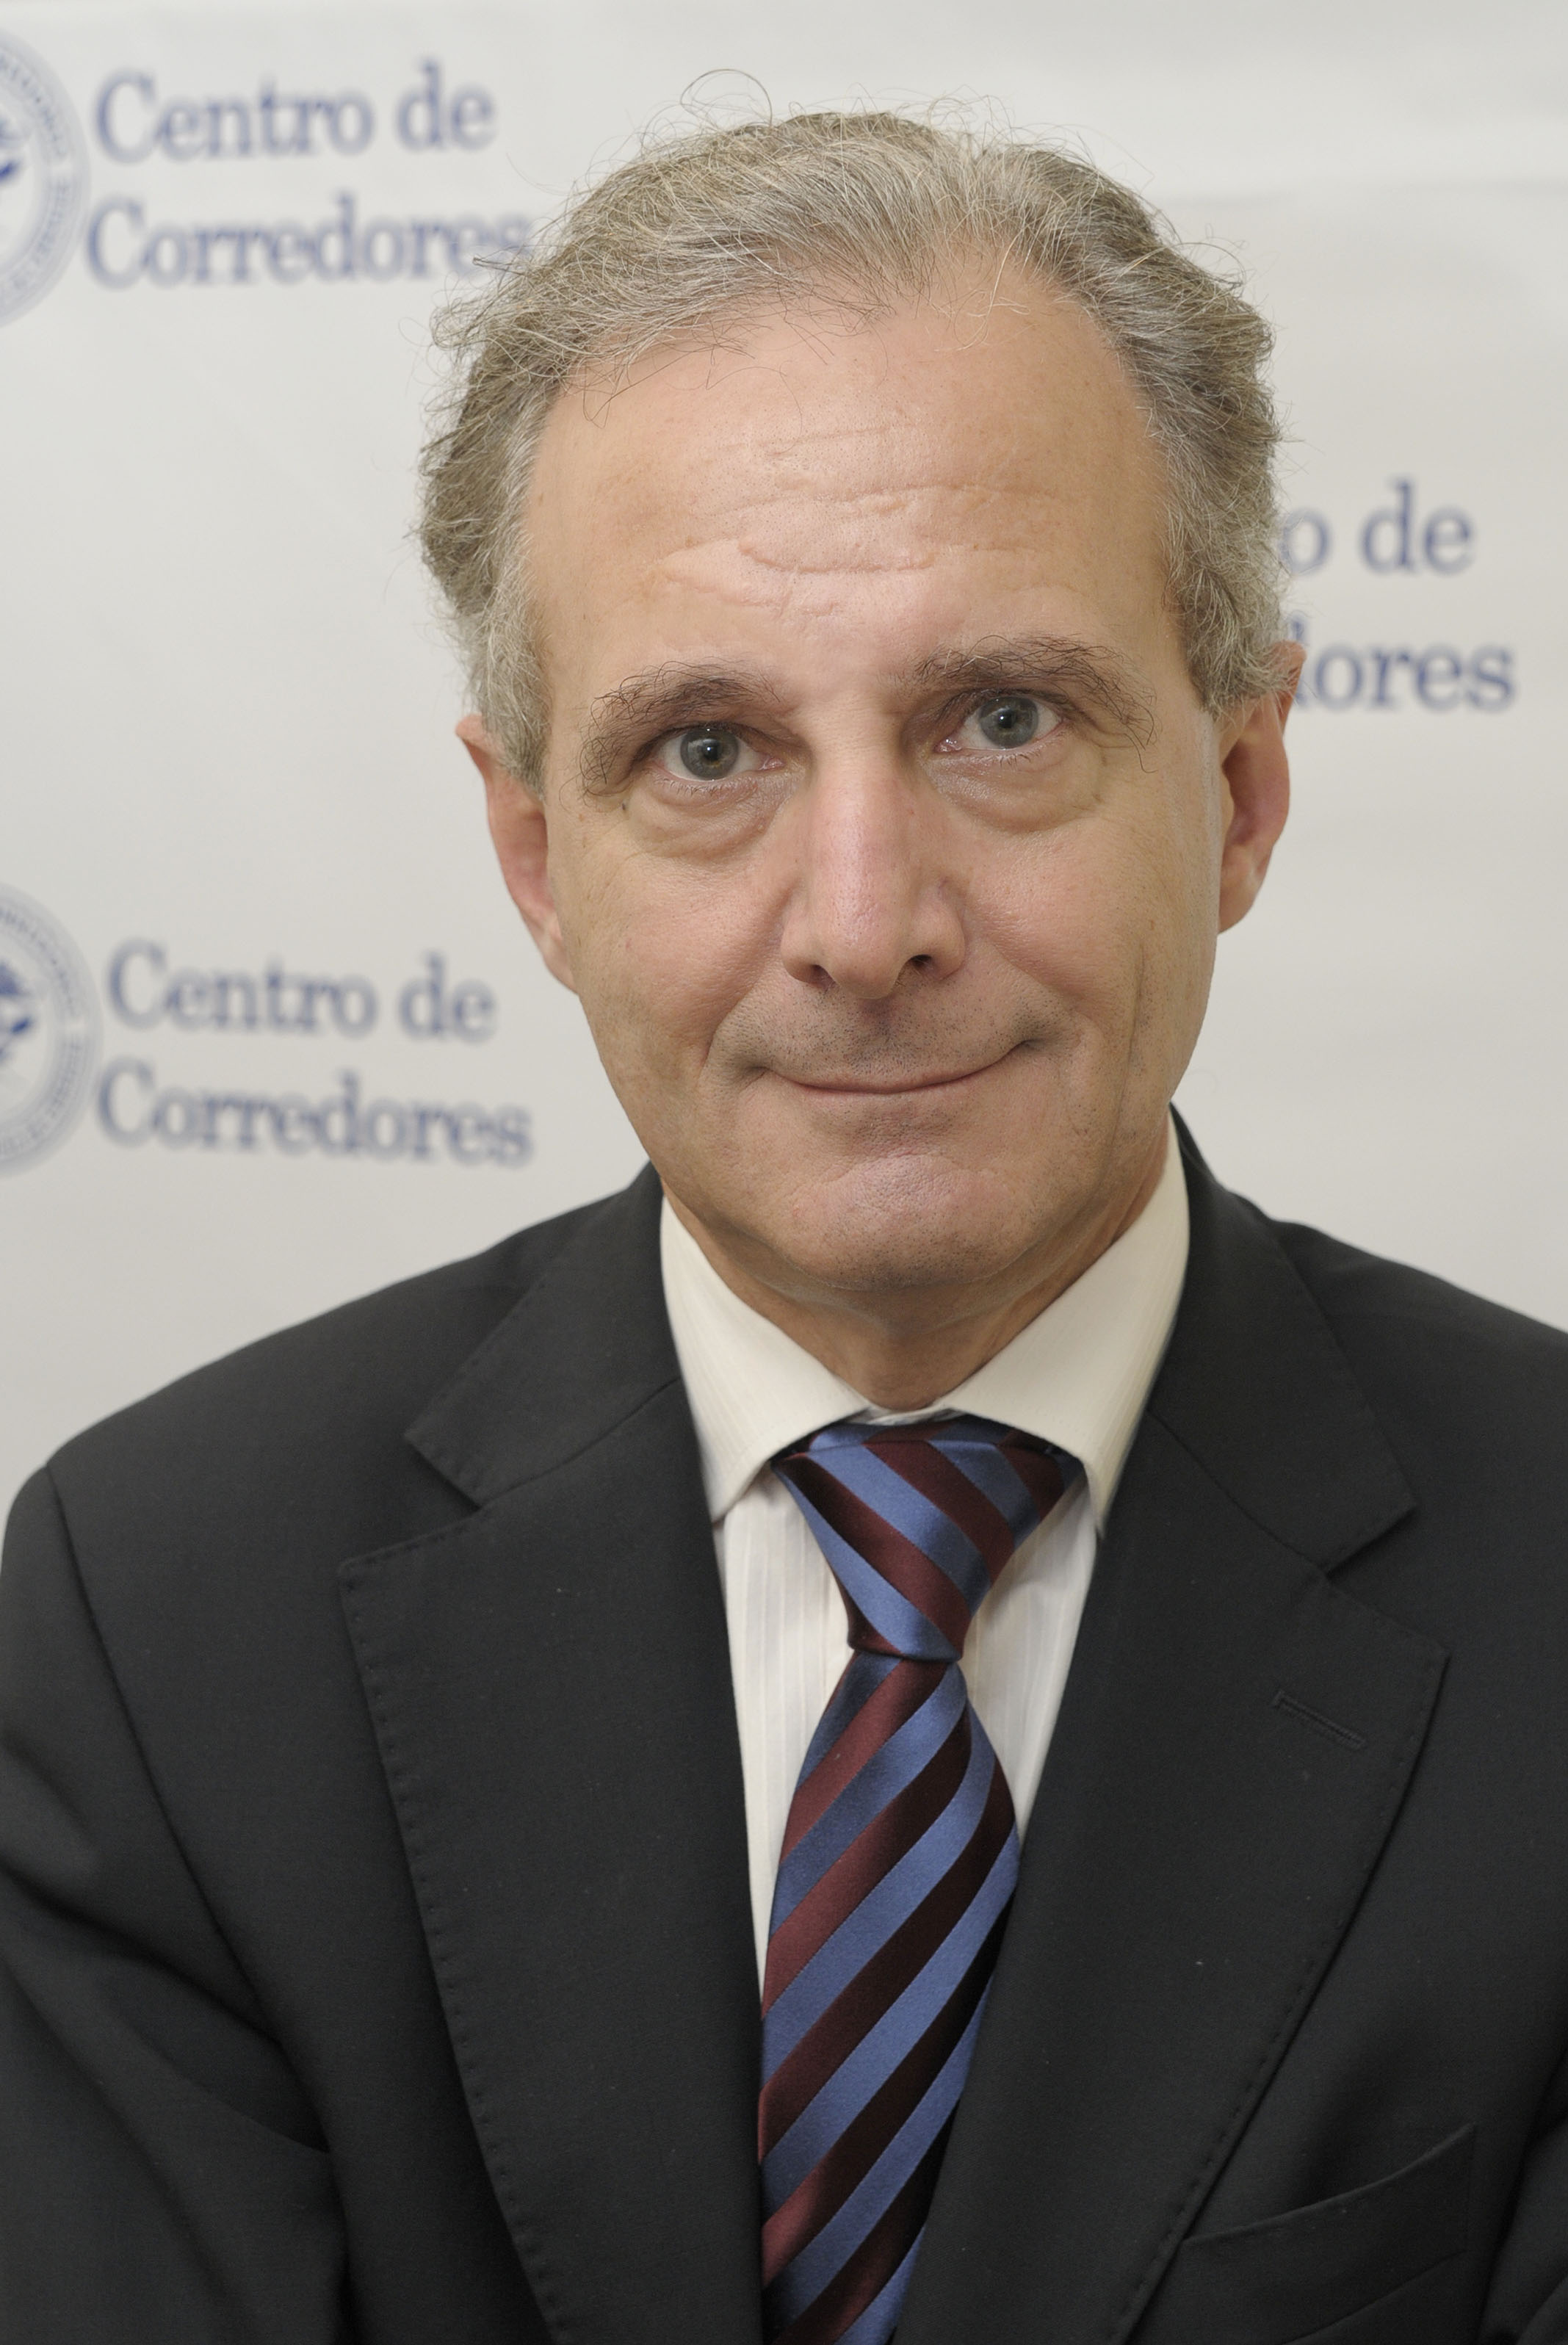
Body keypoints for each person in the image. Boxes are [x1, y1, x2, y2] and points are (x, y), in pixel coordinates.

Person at [1, 108, 1564, 2345]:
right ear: (537, 859)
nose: (861, 921)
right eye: (709, 754)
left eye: (1001, 719)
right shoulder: (158, 1623)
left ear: (1238, 791)